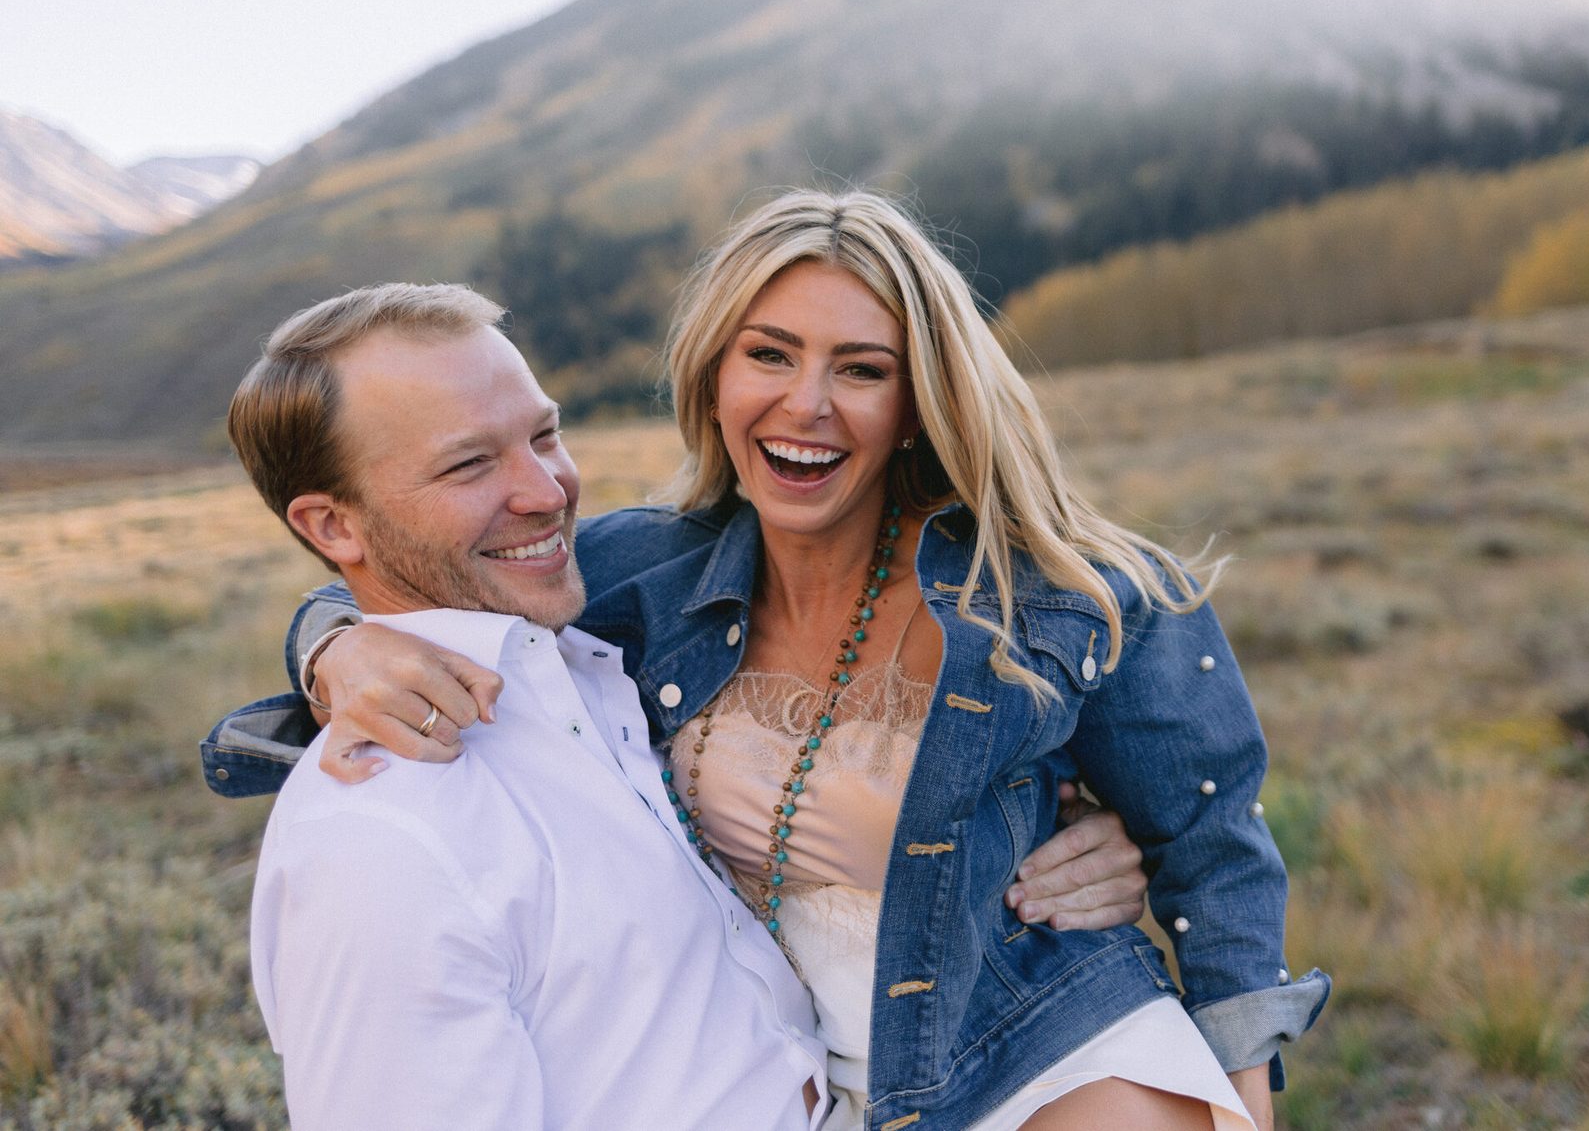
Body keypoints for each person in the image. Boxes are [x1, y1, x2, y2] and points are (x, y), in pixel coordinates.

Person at [214, 191, 1329, 1128]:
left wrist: (1240, 1089)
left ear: (918, 398)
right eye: (768, 355)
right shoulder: (638, 574)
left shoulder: (1059, 596)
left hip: (1032, 1049)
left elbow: (1212, 842)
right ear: (713, 375)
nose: (806, 403)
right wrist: (335, 646)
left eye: (861, 367)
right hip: (818, 1082)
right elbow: (433, 574)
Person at [223, 285, 831, 1129]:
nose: (547, 491)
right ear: (333, 527)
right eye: (469, 463)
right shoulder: (375, 842)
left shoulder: (591, 655)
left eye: (545, 434)